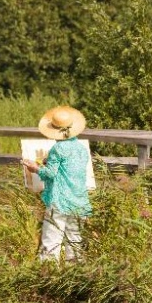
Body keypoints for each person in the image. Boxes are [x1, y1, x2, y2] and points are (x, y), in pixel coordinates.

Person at [21, 106, 91, 262]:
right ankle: (74, 278)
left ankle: (49, 276)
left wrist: (36, 168)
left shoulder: (57, 149)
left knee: (51, 241)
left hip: (60, 200)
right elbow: (69, 168)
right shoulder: (81, 149)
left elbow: (51, 173)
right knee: (74, 241)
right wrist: (50, 162)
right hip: (79, 200)